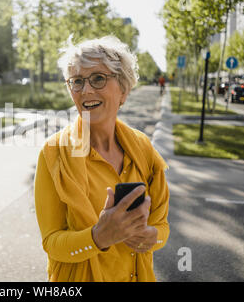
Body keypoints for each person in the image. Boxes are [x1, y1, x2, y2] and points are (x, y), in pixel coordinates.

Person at [34, 35, 170, 282]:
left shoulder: (143, 148)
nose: (86, 90)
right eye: (77, 81)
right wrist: (98, 237)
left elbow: (162, 227)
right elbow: (51, 242)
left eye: (98, 78)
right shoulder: (54, 153)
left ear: (123, 90)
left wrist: (152, 237)